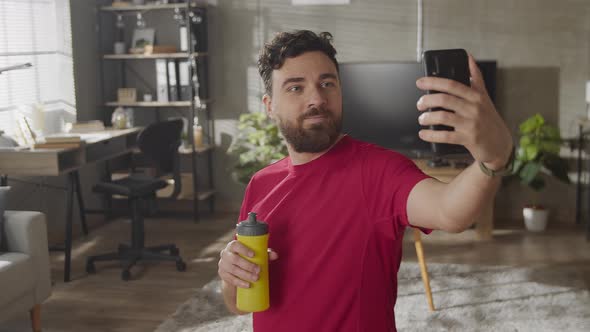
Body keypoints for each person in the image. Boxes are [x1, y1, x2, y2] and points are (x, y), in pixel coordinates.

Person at [218, 30, 513, 331]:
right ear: (269, 106)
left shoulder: (379, 171)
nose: (317, 98)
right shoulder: (261, 184)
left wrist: (493, 159)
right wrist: (231, 275)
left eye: (327, 83)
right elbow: (239, 303)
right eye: (296, 88)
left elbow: (450, 212)